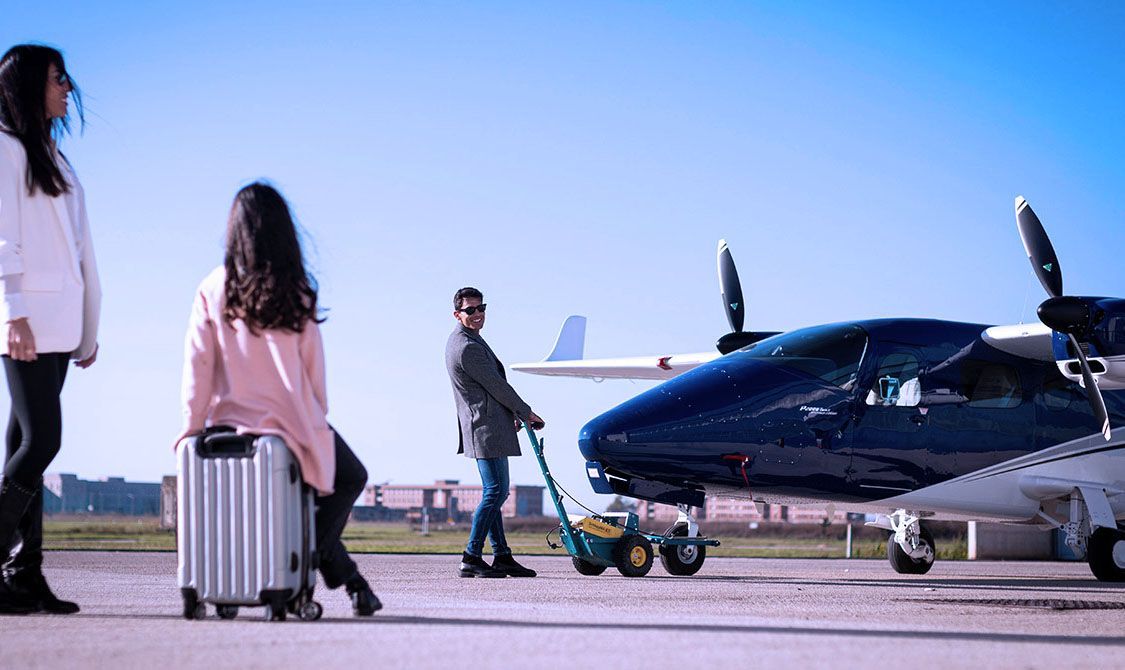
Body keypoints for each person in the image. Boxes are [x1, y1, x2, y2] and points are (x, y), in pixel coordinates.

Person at [176, 182, 380, 615]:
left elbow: (198, 364)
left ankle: (336, 572)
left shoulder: (212, 286)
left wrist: (192, 428)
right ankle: (315, 557)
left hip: (226, 421)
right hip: (290, 421)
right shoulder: (296, 290)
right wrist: (316, 418)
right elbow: (314, 373)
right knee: (350, 477)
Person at [0, 45, 100, 616]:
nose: (67, 88)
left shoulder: (54, 156)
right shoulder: (6, 148)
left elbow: (77, 250)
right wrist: (11, 312)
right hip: (27, 320)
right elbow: (2, 236)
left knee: (23, 446)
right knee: (42, 441)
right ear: (30, 84)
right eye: (58, 79)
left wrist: (87, 326)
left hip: (58, 320)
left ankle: (24, 575)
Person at [445, 287, 544, 578]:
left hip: (488, 424)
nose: (478, 314)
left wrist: (511, 414)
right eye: (470, 310)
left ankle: (501, 556)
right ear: (457, 314)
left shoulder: (467, 339)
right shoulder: (467, 347)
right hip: (485, 427)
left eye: (481, 308)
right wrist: (525, 412)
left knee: (495, 492)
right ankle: (471, 556)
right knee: (496, 492)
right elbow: (497, 386)